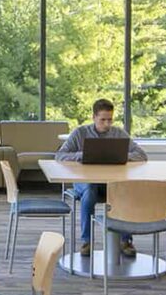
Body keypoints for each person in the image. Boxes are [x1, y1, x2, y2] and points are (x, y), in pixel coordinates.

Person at [55, 99, 148, 258]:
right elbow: (60, 155)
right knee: (90, 191)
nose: (107, 124)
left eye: (110, 119)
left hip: (110, 183)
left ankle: (125, 240)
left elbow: (141, 154)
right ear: (94, 117)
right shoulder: (80, 133)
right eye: (103, 119)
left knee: (122, 191)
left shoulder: (118, 133)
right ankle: (87, 241)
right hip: (85, 182)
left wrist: (120, 155)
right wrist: (81, 155)